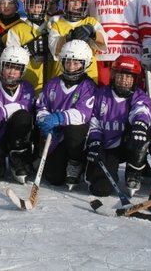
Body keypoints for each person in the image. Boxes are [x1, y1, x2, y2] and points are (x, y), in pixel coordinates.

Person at [85, 55, 151, 197]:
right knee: (100, 189)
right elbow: (94, 120)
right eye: (120, 76)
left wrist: (140, 123)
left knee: (142, 130)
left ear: (135, 79)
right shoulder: (101, 94)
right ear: (113, 75)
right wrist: (95, 141)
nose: (124, 81)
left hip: (127, 143)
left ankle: (134, 171)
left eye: (129, 77)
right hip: (108, 146)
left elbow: (141, 110)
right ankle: (103, 171)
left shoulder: (139, 96)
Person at [36, 40, 97, 190]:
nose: (71, 67)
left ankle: (75, 163)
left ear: (85, 63)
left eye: (76, 63)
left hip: (77, 138)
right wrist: (45, 121)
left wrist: (58, 118)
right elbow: (42, 106)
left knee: (74, 130)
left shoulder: (88, 87)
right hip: (57, 137)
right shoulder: (53, 84)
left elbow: (84, 114)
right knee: (54, 178)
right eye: (68, 62)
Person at [0, 46, 36, 184]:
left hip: (19, 138)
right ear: (1, 67)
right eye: (8, 67)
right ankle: (3, 162)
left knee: (23, 116)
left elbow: (26, 106)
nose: (11, 72)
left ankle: (17, 158)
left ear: (22, 71)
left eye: (16, 68)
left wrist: (2, 112)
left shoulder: (27, 88)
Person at [48, 0, 107, 85]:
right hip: (62, 76)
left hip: (88, 76)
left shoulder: (91, 22)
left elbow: (104, 42)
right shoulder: (57, 23)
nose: (76, 5)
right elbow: (55, 49)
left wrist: (93, 33)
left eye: (80, 2)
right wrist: (70, 37)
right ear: (65, 3)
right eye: (72, 1)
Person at [5, 0, 51, 95]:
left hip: (51, 83)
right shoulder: (16, 30)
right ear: (26, 7)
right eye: (32, 6)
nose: (36, 9)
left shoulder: (53, 25)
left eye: (39, 7)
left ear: (45, 7)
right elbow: (10, 59)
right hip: (26, 85)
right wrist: (27, 49)